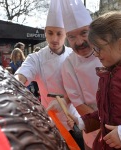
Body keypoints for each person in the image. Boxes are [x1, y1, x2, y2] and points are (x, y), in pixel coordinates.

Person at [69, 11, 121, 150]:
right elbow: (106, 113)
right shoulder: (108, 73)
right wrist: (84, 122)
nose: (96, 54)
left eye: (99, 49)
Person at [14, 0, 83, 149]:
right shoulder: (37, 58)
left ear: (66, 34)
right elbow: (24, 73)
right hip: (49, 123)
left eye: (59, 33)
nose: (54, 39)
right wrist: (17, 82)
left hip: (75, 120)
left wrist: (65, 100)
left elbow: (83, 87)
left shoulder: (75, 56)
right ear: (45, 32)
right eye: (50, 33)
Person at [47, 0, 102, 149]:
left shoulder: (108, 51)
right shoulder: (69, 65)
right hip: (93, 132)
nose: (79, 42)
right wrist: (107, 124)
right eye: (71, 37)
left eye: (84, 33)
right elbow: (78, 103)